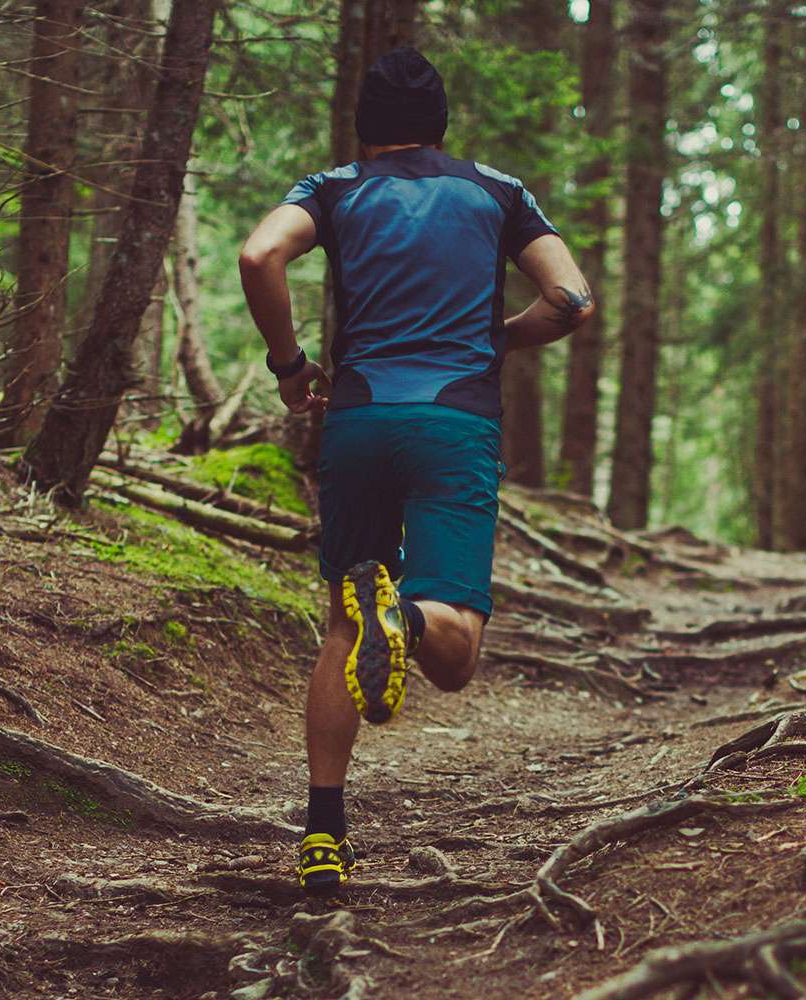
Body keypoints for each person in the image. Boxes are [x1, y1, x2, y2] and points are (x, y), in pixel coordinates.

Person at [239, 47, 594, 894]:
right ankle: (402, 610)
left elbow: (259, 257)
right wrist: (496, 335)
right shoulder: (498, 192)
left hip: (357, 420)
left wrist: (289, 368)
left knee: (340, 626)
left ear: (364, 126)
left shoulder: (330, 189)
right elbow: (573, 299)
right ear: (441, 122)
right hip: (453, 421)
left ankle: (324, 835)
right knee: (455, 655)